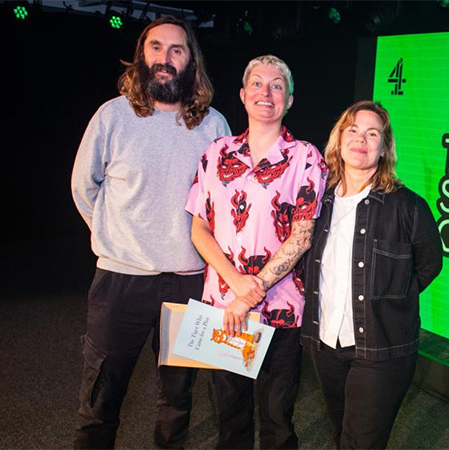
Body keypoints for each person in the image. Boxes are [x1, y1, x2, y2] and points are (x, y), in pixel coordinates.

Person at [70, 16, 231, 449]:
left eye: (176, 50)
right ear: (142, 55)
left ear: (191, 62)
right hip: (120, 281)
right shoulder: (112, 116)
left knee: (177, 397)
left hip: (187, 282)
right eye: (156, 47)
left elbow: (225, 201)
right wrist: (114, 238)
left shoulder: (213, 125)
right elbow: (83, 186)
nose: (165, 58)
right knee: (101, 397)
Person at [186, 54, 327, 449]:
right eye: (258, 84)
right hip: (225, 309)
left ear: (290, 100)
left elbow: (302, 235)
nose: (267, 92)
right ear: (243, 95)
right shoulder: (216, 152)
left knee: (277, 420)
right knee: (229, 419)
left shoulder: (306, 158)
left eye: (278, 85)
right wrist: (236, 287)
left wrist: (256, 286)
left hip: (281, 311)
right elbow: (198, 227)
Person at [300, 100, 443, 449]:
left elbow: (429, 265)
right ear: (339, 139)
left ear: (384, 147)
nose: (360, 139)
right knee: (342, 433)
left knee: (360, 443)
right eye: (353, 130)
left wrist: (391, 299)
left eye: (372, 133)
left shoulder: (408, 206)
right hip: (326, 346)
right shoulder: (318, 202)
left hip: (382, 350)